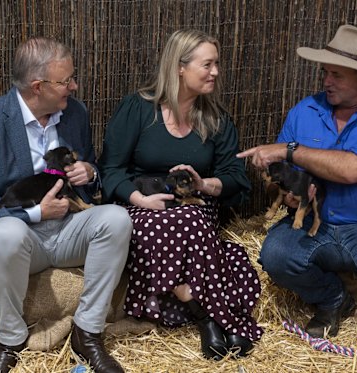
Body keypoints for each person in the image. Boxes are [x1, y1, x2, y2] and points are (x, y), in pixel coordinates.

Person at [0, 37, 132, 373]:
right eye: (66, 81)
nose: (73, 87)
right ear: (38, 86)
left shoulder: (75, 113)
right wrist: (35, 212)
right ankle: (9, 339)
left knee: (118, 219)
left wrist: (89, 172)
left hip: (69, 231)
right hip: (22, 239)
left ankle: (87, 332)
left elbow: (92, 171)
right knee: (5, 233)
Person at [237, 24, 357, 352]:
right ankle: (333, 299)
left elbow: (353, 170)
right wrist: (289, 191)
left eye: (336, 74)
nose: (326, 81)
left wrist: (290, 150)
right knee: (276, 255)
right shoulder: (306, 110)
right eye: (325, 72)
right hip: (316, 221)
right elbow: (285, 173)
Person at [99, 29, 263, 360]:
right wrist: (141, 200)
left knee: (189, 217)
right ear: (179, 67)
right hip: (141, 205)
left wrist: (204, 185)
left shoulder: (216, 119)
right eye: (207, 64)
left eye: (217, 64)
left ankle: (204, 312)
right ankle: (215, 318)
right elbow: (111, 169)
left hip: (196, 205)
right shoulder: (138, 109)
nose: (215, 72)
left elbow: (234, 177)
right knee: (174, 225)